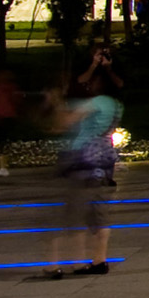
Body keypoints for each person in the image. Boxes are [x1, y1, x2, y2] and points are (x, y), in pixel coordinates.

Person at [47, 76, 121, 277]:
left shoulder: (96, 102)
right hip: (104, 160)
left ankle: (70, 263)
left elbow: (64, 123)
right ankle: (100, 260)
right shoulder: (115, 105)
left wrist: (56, 102)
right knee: (99, 210)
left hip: (83, 159)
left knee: (76, 210)